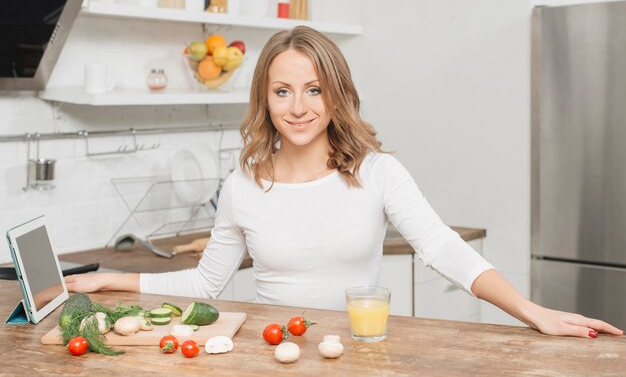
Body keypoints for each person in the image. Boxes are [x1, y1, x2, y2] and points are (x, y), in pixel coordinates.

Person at [66, 26, 623, 339]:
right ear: (264, 97)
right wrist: (105, 281)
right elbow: (204, 284)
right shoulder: (244, 183)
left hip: (355, 355)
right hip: (273, 352)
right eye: (282, 91)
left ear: (336, 94)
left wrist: (534, 313)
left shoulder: (376, 172)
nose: (299, 107)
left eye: (313, 89)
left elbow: (443, 248)